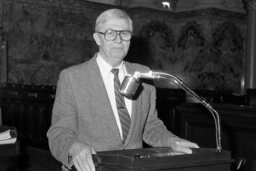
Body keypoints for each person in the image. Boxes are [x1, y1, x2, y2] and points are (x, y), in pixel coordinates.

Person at [47, 8, 199, 171]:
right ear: (98, 38)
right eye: (111, 33)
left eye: (125, 33)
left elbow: (150, 126)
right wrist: (74, 148)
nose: (119, 40)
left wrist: (172, 141)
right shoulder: (72, 77)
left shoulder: (142, 73)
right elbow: (59, 133)